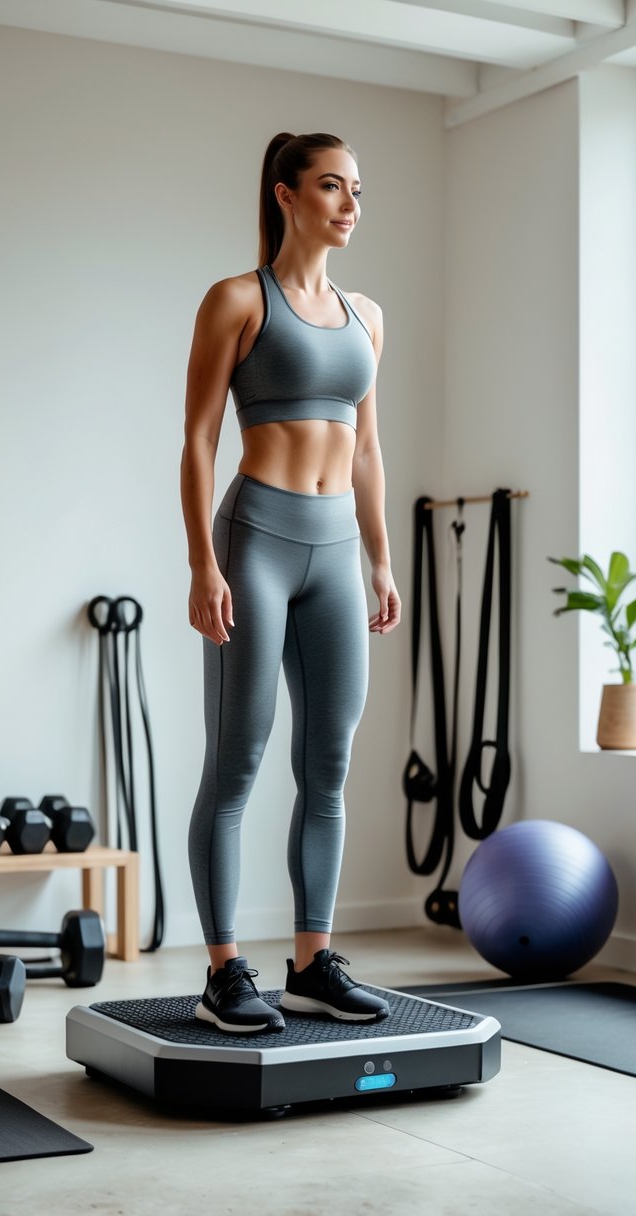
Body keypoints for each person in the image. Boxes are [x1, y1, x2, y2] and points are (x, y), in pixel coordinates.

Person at [180, 132, 401, 1035]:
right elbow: (197, 438)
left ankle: (311, 965)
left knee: (329, 766)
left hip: (336, 547)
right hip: (257, 537)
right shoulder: (238, 300)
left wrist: (380, 556)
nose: (350, 203)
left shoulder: (367, 316)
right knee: (237, 761)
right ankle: (224, 971)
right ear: (285, 194)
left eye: (356, 188)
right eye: (331, 187)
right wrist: (202, 560)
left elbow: (368, 445)